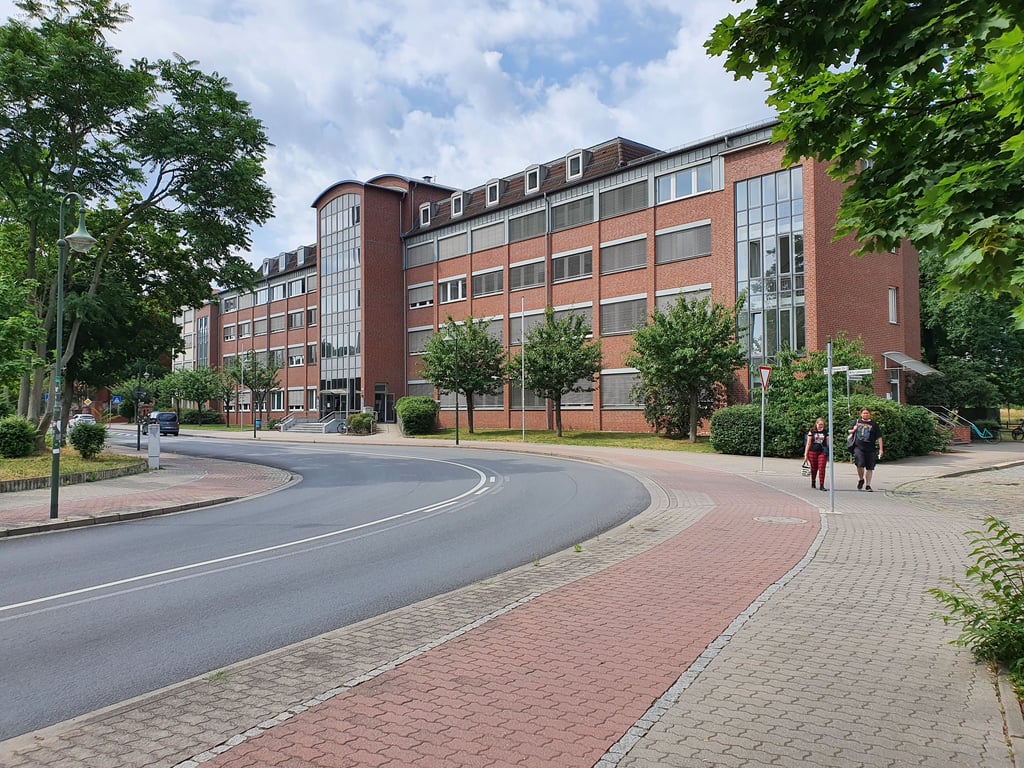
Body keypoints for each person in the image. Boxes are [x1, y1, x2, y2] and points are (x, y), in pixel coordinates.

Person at [848, 407, 884, 491]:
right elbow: (849, 431)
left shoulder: (874, 424)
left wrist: (881, 449)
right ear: (861, 414)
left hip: (870, 448)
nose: (865, 414)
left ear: (870, 414)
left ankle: (868, 485)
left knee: (870, 467)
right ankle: (861, 479)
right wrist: (854, 429)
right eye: (864, 413)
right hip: (858, 447)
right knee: (860, 464)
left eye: (867, 413)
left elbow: (879, 437)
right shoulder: (856, 422)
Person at [804, 417, 829, 491]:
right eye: (819, 424)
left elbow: (828, 443)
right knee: (814, 468)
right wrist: (806, 454)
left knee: (821, 468)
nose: (820, 426)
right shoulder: (812, 432)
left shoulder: (825, 432)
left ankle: (822, 485)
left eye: (822, 424)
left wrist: (829, 453)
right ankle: (813, 481)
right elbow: (808, 444)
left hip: (822, 452)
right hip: (812, 451)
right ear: (816, 424)